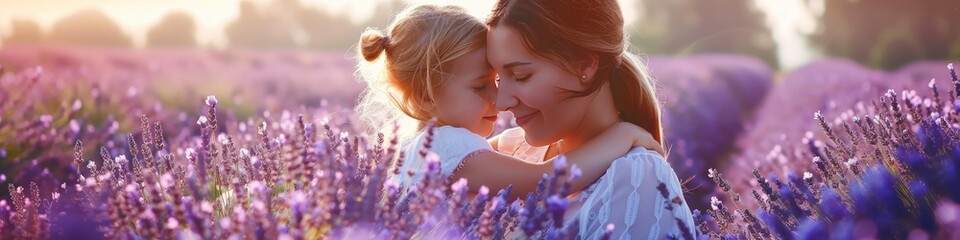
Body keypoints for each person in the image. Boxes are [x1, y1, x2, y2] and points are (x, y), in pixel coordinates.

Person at [354, 4, 664, 200]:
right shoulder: (448, 147)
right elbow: (543, 182)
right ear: (425, 95)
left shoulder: (422, 145)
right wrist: (622, 136)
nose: (499, 101)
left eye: (498, 81)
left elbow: (491, 153)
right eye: (479, 88)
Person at [485, 0, 696, 238]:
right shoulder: (510, 150)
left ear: (584, 66)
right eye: (498, 79)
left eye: (521, 76)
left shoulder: (637, 176)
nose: (502, 103)